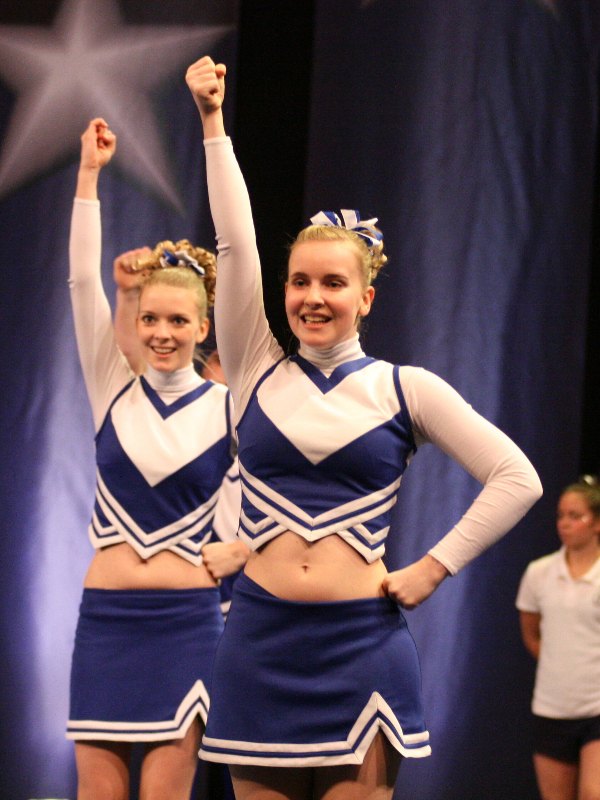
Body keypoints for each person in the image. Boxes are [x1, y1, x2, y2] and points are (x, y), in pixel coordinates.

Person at [185, 56, 543, 800]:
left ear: (367, 297)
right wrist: (213, 122)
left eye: (333, 283)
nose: (313, 297)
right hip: (257, 644)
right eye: (299, 281)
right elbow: (235, 245)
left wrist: (433, 567)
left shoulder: (406, 389)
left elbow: (518, 478)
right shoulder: (254, 366)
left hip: (362, 648)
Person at [67, 117, 245, 800]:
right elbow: (82, 284)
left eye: (177, 321)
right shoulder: (112, 390)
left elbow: (292, 499)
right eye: (150, 319)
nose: (162, 333)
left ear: (204, 326)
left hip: (188, 627)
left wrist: (245, 550)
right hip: (105, 622)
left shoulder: (232, 408)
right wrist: (89, 176)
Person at [516, 478, 600, 800]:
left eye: (575, 516)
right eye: (561, 515)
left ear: (597, 523)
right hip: (552, 707)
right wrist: (561, 664)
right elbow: (532, 634)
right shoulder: (539, 573)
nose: (564, 523)